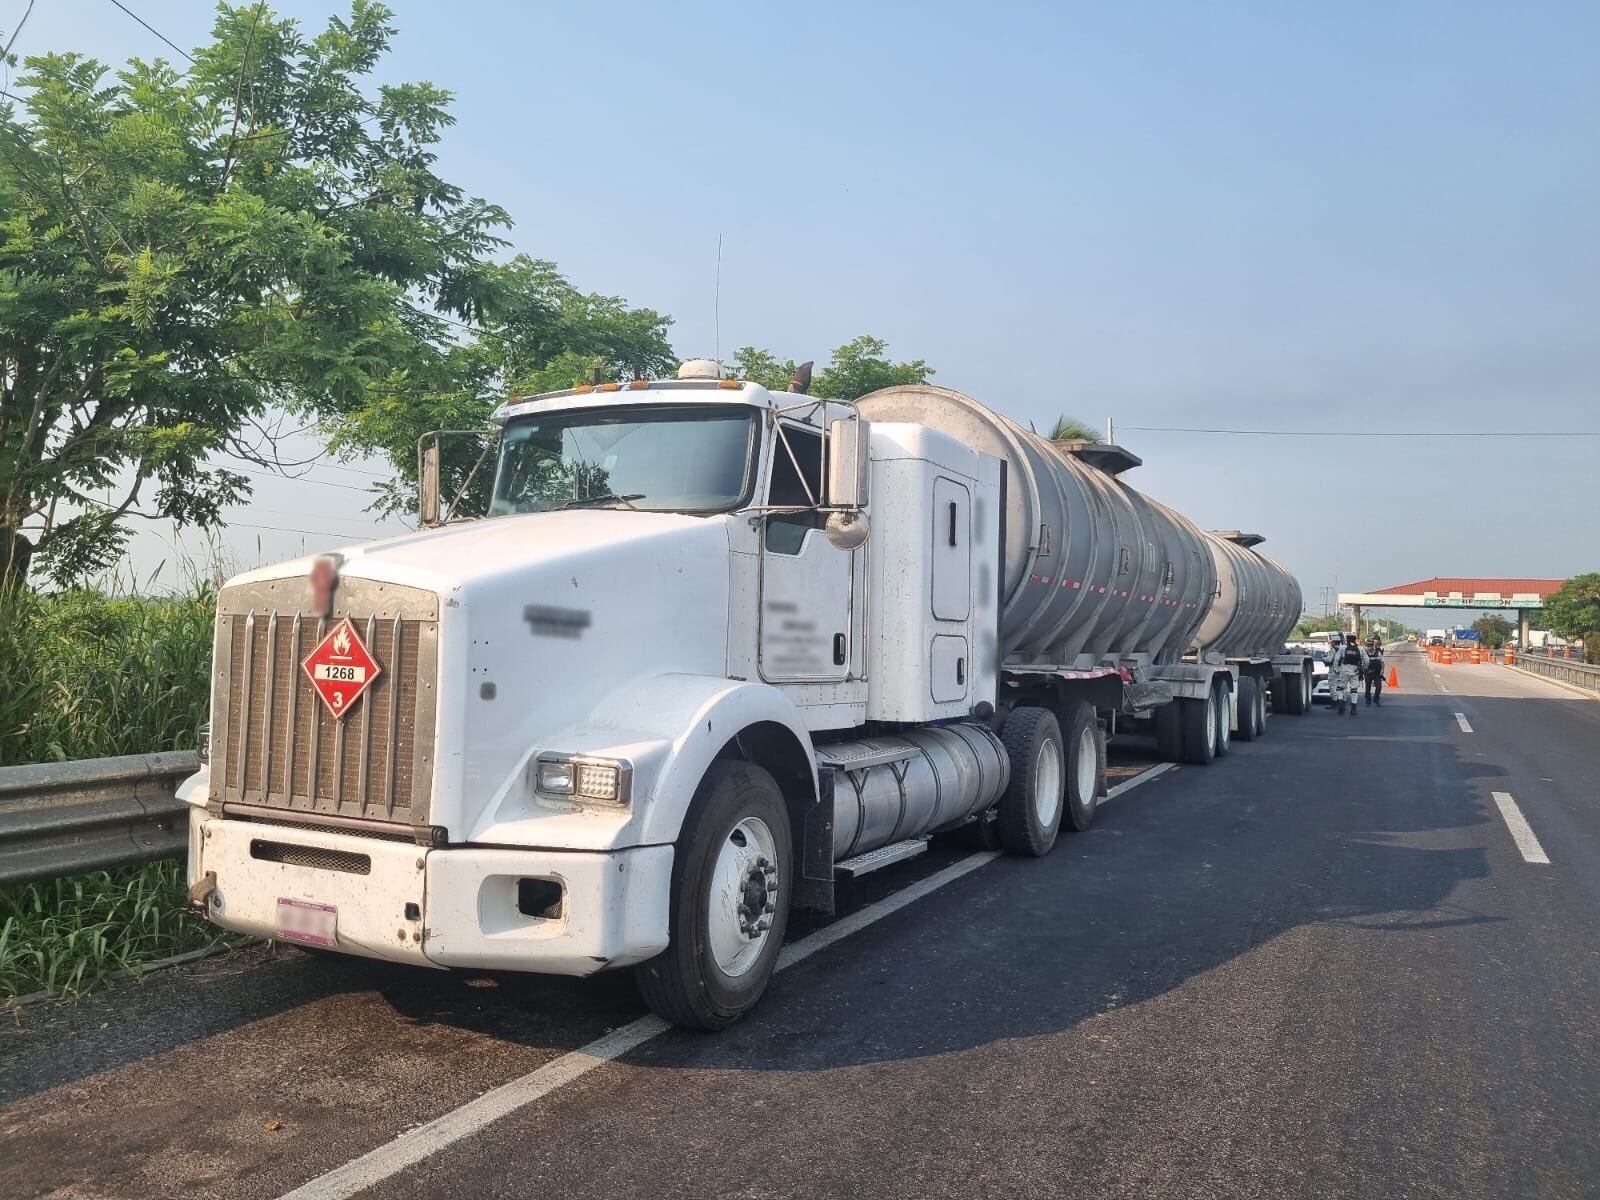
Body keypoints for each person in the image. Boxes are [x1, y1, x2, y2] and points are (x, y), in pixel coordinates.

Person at [1329, 632, 1365, 715]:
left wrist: (1336, 669)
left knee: (1340, 688)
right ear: (1355, 639)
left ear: (1346, 639)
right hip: (1355, 671)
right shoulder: (1360, 648)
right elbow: (1366, 661)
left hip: (1344, 671)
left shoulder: (1343, 648)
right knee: (1354, 690)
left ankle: (1341, 703)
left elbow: (1336, 660)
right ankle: (1353, 709)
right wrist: (1362, 669)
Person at [1363, 634, 1385, 706]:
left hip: (1377, 672)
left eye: (1371, 646)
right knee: (1368, 687)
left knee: (1379, 687)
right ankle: (1368, 700)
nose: (1369, 648)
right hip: (1368, 672)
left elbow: (1382, 662)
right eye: (1368, 646)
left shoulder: (1378, 652)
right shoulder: (1364, 653)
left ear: (1373, 646)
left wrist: (1382, 671)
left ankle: (1376, 699)